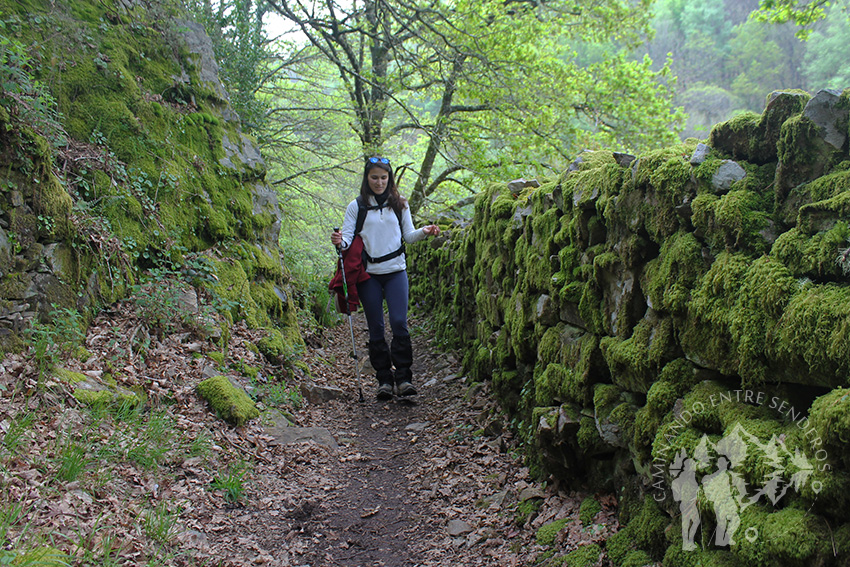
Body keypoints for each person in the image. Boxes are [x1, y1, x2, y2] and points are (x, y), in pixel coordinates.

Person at [331, 156, 441, 400]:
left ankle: (403, 378)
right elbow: (347, 239)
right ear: (366, 178)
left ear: (389, 178)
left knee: (399, 322)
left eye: (383, 177)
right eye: (374, 177)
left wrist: (424, 232)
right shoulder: (356, 206)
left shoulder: (399, 203)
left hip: (396, 271)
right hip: (369, 275)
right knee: (376, 327)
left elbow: (408, 236)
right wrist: (340, 242)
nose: (379, 182)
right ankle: (383, 380)